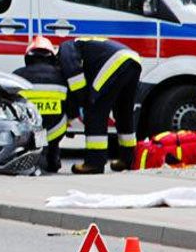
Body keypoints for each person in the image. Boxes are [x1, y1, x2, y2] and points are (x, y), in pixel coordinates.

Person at [58, 37, 142, 174]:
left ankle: (94, 163)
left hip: (114, 62)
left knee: (95, 112)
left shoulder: (64, 48)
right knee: (123, 112)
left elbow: (73, 75)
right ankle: (129, 159)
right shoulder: (84, 47)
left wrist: (84, 100)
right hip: (132, 59)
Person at [13, 36, 68, 173]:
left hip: (30, 127)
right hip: (56, 128)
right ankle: (51, 157)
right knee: (49, 139)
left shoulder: (18, 75)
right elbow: (71, 105)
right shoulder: (62, 76)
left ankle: (35, 158)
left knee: (38, 137)